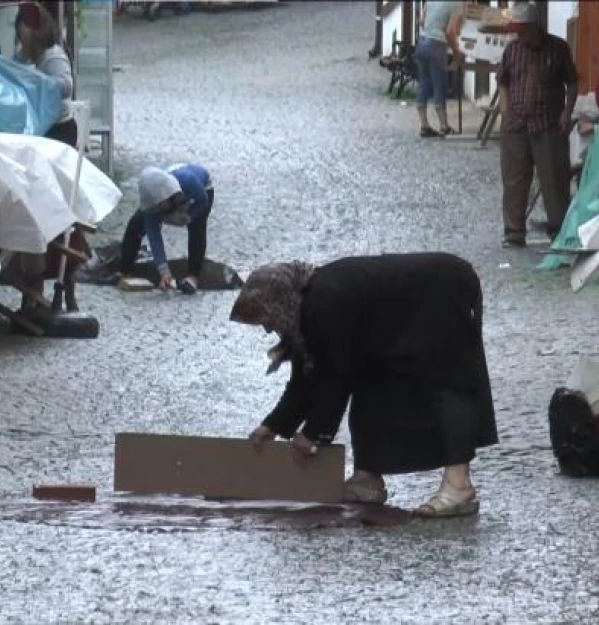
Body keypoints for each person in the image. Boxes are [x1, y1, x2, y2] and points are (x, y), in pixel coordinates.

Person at [232, 253, 498, 518]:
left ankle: (459, 486)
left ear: (281, 301)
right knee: (372, 383)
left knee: (445, 383)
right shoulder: (310, 305)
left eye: (266, 316)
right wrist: (273, 425)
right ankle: (367, 477)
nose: (267, 328)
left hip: (440, 289)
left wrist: (313, 433)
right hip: (416, 299)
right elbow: (308, 374)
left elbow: (334, 378)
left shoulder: (322, 305)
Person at [497, 2, 578, 248]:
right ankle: (514, 231)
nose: (519, 34)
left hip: (548, 122)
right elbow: (503, 81)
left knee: (554, 178)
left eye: (523, 29)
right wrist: (505, 111)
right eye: (517, 30)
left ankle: (558, 229)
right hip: (517, 123)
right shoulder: (512, 50)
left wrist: (567, 113)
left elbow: (572, 83)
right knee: (514, 178)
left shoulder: (558, 48)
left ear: (535, 26)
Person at [118, 163, 214, 294]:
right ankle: (125, 272)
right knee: (135, 226)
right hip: (165, 197)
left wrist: (190, 217)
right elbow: (154, 236)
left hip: (203, 189)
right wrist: (164, 271)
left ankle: (193, 276)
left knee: (197, 227)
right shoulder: (151, 203)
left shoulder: (189, 182)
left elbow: (203, 200)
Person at [16, 4, 77, 148]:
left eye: (26, 25)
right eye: (21, 25)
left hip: (58, 127)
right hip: (37, 125)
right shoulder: (21, 56)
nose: (22, 30)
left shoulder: (52, 54)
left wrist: (39, 82)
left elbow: (67, 86)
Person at [414, 1, 464, 138]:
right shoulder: (457, 4)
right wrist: (456, 51)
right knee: (439, 84)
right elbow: (450, 31)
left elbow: (422, 21)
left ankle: (424, 125)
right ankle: (444, 126)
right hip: (437, 45)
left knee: (423, 83)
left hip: (422, 42)